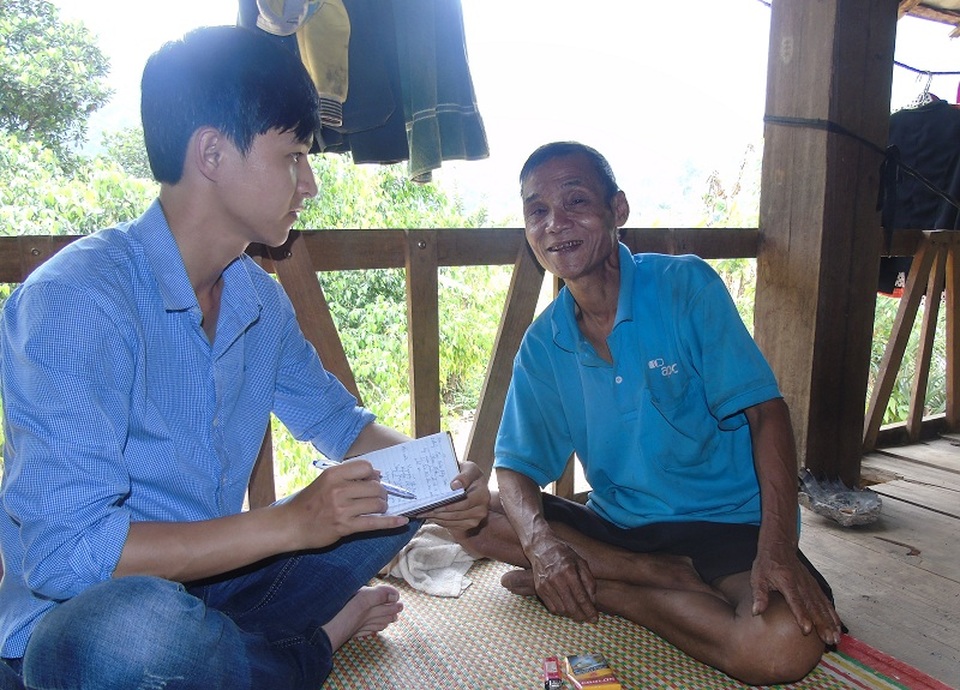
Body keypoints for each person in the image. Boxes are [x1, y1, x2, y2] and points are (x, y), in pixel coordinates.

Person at [0, 26, 488, 690]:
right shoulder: (75, 301)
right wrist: (290, 522)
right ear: (212, 153)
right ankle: (305, 646)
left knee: (395, 493)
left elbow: (341, 427)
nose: (309, 183)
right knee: (145, 640)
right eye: (293, 155)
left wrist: (442, 483)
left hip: (217, 583)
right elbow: (66, 558)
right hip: (91, 617)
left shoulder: (258, 299)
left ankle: (234, 654)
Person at [456, 141, 843, 686]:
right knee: (471, 518)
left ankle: (611, 593)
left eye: (575, 201)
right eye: (536, 210)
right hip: (620, 529)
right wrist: (542, 548)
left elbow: (767, 414)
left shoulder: (685, 286)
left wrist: (777, 548)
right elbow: (515, 467)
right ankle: (651, 577)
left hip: (727, 524)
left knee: (781, 646)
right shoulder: (545, 343)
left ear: (618, 211)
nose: (555, 223)